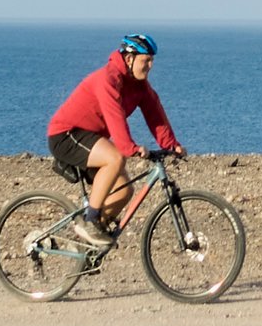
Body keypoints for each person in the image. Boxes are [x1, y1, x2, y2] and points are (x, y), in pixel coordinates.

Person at [46, 34, 182, 253]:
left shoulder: (139, 86)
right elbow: (114, 117)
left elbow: (154, 113)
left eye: (152, 61)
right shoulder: (108, 79)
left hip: (91, 138)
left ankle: (84, 245)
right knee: (115, 158)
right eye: (146, 60)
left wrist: (171, 145)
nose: (150, 65)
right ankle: (89, 221)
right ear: (129, 59)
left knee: (124, 191)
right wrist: (130, 147)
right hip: (66, 134)